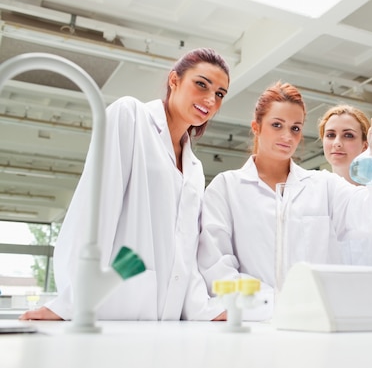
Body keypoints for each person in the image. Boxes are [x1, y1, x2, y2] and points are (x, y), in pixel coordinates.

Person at [20, 48, 230, 321]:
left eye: (220, 94)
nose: (210, 99)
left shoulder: (195, 169)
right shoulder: (129, 116)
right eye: (201, 84)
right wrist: (71, 302)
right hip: (112, 309)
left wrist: (204, 309)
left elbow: (186, 251)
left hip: (168, 320)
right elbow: (95, 211)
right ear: (174, 80)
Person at [197, 82, 372, 318]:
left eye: (295, 128)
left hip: (316, 325)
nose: (287, 136)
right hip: (257, 325)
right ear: (256, 127)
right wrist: (275, 304)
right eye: (277, 125)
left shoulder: (324, 186)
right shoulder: (226, 188)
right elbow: (217, 268)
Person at [318, 104, 372, 267]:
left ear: (365, 144)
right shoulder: (317, 194)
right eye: (330, 135)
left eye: (348, 135)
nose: (337, 143)